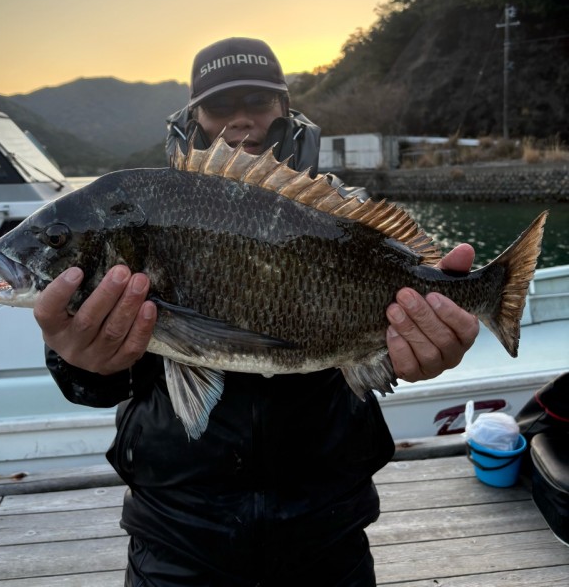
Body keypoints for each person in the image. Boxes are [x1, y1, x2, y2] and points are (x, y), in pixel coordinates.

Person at [36, 37, 479, 587]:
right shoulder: (147, 208)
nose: (241, 122)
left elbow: (382, 349)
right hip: (176, 537)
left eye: (258, 103)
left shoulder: (344, 211)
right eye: (222, 107)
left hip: (328, 532)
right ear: (194, 116)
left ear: (285, 109)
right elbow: (97, 379)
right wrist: (79, 362)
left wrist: (425, 344)